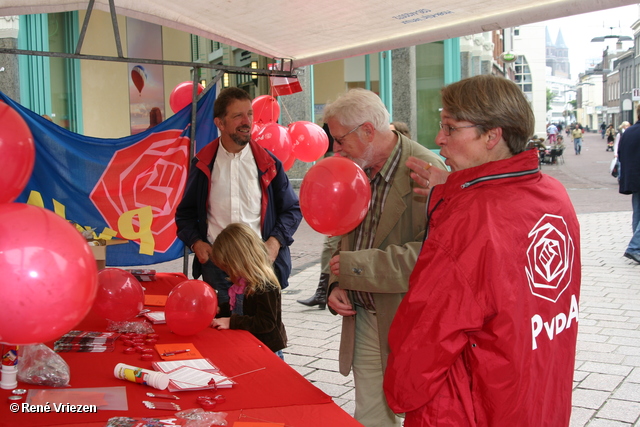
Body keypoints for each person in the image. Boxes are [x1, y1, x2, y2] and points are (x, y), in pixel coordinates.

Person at [384, 75, 581, 426]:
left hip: (469, 404)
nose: (438, 139)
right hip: (537, 392)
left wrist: (402, 391)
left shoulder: (470, 220)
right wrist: (454, 188)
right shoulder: (553, 194)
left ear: (492, 136)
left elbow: (428, 329)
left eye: (450, 127)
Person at [323, 88, 446, 427]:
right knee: (371, 415)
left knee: (416, 414)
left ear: (366, 131)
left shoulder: (426, 172)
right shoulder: (356, 167)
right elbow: (341, 234)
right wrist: (336, 282)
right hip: (363, 316)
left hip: (407, 321)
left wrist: (354, 269)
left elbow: (432, 256)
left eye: (339, 139)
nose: (335, 149)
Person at [175, 87, 302, 317]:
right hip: (217, 267)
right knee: (223, 338)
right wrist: (196, 243)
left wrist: (275, 242)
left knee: (266, 339)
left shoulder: (269, 164)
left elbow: (292, 209)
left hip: (260, 267)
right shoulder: (203, 163)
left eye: (250, 114)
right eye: (237, 116)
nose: (247, 122)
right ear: (220, 123)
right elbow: (184, 214)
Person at [210, 223, 287, 359]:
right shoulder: (242, 280)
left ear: (240, 260)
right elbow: (238, 308)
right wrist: (220, 310)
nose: (228, 272)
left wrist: (231, 322)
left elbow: (266, 322)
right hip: (248, 342)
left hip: (266, 348)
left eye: (228, 267)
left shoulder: (265, 285)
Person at [618, 106, 640, 264]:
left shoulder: (629, 131)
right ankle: (635, 247)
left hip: (633, 178)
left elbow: (621, 153)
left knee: (637, 214)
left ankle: (637, 247)